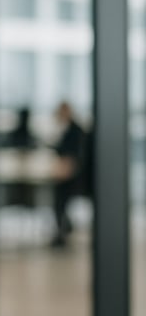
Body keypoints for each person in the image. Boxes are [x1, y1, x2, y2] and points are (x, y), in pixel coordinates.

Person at [50, 101, 87, 248]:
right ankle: (64, 228)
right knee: (58, 199)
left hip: (76, 177)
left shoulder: (76, 130)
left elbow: (77, 157)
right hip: (67, 174)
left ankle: (63, 232)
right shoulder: (67, 129)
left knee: (60, 199)